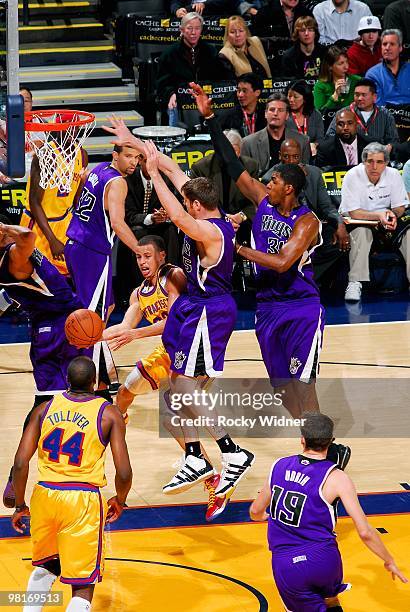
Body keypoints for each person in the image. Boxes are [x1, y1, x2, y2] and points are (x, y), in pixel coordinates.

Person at [102, 118, 255, 499]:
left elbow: (182, 217)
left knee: (185, 385)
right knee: (174, 392)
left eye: (188, 202)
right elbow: (171, 168)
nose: (183, 204)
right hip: (195, 311)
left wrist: (153, 178)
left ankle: (233, 452)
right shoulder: (203, 206)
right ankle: (194, 456)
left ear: (199, 206)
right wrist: (137, 144)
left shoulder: (211, 230)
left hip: (209, 312)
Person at [104, 235, 227, 521]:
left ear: (161, 255)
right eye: (138, 257)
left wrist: (134, 334)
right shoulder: (139, 293)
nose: (142, 262)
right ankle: (115, 429)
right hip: (167, 352)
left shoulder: (174, 277)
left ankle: (214, 476)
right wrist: (89, 336)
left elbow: (173, 317)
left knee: (175, 415)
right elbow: (124, 325)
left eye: (147, 256)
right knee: (124, 392)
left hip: (194, 348)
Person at [250, 412, 408, 612]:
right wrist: (389, 560)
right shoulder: (338, 477)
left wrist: (267, 516)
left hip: (288, 563)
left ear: (302, 439)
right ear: (331, 441)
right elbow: (365, 532)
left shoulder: (278, 466)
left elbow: (255, 510)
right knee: (331, 600)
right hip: (325, 558)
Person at [11, 356, 132, 611]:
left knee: (46, 564)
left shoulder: (44, 408)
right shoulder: (108, 413)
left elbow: (20, 463)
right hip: (81, 499)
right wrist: (119, 500)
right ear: (95, 383)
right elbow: (123, 472)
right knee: (82, 585)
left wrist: (20, 505)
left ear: (66, 381)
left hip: (44, 495)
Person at [0, 218, 85, 508]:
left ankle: (18, 470)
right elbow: (27, 237)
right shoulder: (12, 256)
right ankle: (71, 469)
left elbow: (7, 296)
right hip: (61, 324)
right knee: (78, 399)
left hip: (46, 326)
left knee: (45, 402)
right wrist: (6, 229)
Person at [65, 146, 141, 387]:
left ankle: (103, 372)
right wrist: (140, 250)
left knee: (105, 307)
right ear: (115, 155)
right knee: (93, 318)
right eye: (129, 156)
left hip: (76, 243)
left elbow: (85, 185)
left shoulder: (99, 169)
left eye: (137, 158)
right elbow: (118, 223)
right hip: (92, 252)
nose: (134, 162)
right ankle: (91, 379)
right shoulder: (118, 182)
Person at [261, 139, 350, 281]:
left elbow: (326, 207)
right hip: (284, 228)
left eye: (295, 157)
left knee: (340, 241)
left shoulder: (314, 173)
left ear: (301, 156)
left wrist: (340, 224)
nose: (291, 161)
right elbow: (276, 212)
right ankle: (300, 278)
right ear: (280, 156)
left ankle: (307, 277)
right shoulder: (270, 178)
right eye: (286, 157)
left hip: (312, 226)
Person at [339, 142, 410, 302]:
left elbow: (400, 207)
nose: (374, 166)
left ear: (386, 163)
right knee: (361, 233)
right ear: (363, 161)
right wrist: (379, 215)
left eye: (379, 162)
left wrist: (391, 215)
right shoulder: (352, 175)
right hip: (359, 222)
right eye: (370, 161)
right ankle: (355, 282)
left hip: (386, 221)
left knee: (409, 233)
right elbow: (353, 212)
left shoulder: (393, 175)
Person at [115, 152, 180, 305]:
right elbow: (128, 215)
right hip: (137, 226)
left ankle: (171, 283)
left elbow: (176, 206)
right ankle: (140, 289)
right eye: (148, 161)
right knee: (138, 232)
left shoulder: (165, 178)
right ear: (141, 161)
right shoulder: (127, 180)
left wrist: (165, 215)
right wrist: (151, 217)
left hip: (160, 225)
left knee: (171, 230)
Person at [20, 145, 88, 276]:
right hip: (38, 225)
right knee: (35, 277)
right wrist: (52, 240)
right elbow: (34, 202)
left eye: (74, 124)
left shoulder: (82, 154)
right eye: (66, 122)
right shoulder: (45, 154)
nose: (71, 127)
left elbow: (76, 199)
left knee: (66, 275)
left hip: (63, 221)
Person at [156, 12, 229, 125]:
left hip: (206, 99)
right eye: (189, 28)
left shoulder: (211, 51)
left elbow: (221, 80)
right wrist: (171, 94)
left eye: (197, 28)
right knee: (173, 105)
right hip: (181, 101)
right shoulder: (169, 54)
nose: (193, 33)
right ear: (181, 30)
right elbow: (162, 84)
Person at [190, 128, 259, 243]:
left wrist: (241, 216)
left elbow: (255, 201)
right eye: (227, 152)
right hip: (210, 223)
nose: (231, 157)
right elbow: (195, 203)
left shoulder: (250, 166)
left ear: (240, 151)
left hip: (241, 225)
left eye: (235, 152)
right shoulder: (201, 168)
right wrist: (221, 220)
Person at [241, 93, 310, 177]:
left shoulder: (302, 141)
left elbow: (305, 174)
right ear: (265, 113)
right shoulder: (248, 143)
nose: (275, 113)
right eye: (272, 110)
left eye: (280, 110)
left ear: (287, 115)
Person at [325, 78, 400, 151]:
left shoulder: (385, 114)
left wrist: (390, 146)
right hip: (349, 156)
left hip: (376, 157)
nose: (360, 98)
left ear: (374, 97)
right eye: (357, 95)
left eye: (364, 95)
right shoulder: (343, 113)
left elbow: (393, 140)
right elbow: (330, 137)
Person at [366, 29, 410, 106]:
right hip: (385, 116)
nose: (387, 48)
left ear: (400, 48)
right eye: (384, 44)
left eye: (392, 44)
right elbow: (377, 106)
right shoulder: (373, 74)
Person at [218, 15, 271, 79]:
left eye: (241, 31)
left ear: (246, 32)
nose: (237, 35)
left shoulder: (256, 41)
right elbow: (231, 83)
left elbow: (279, 41)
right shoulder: (224, 55)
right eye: (232, 32)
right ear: (227, 35)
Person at [313, 45, 362, 111]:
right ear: (330, 66)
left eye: (347, 62)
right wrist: (335, 96)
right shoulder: (321, 86)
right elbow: (319, 114)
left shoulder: (357, 81)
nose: (346, 67)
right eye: (341, 63)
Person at [285, 79, 325, 157]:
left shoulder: (315, 114)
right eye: (289, 96)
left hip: (312, 155)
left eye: (295, 97)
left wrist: (314, 144)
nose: (291, 100)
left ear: (305, 99)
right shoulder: (284, 115)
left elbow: (320, 138)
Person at [219, 72, 266, 137]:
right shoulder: (228, 117)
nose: (240, 95)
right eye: (238, 90)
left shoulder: (267, 114)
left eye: (244, 91)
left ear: (257, 92)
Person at [281, 16, 326, 80]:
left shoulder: (325, 53)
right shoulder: (289, 56)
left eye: (310, 30)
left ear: (315, 33)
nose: (306, 34)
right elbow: (287, 82)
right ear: (297, 34)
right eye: (302, 30)